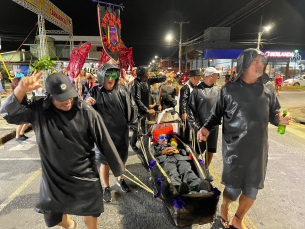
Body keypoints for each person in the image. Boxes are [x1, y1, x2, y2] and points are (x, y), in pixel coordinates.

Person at [0, 71, 124, 229]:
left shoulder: (86, 111)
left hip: (84, 175)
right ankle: (72, 226)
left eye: (69, 95)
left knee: (91, 214)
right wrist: (20, 90)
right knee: (53, 218)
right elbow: (8, 114)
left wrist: (117, 168)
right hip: (54, 178)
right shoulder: (40, 110)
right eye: (61, 97)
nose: (67, 101)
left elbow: (104, 140)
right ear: (50, 96)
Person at [197, 49, 291, 229]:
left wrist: (280, 118)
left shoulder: (268, 87)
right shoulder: (228, 89)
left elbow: (274, 113)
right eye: (255, 61)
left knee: (252, 190)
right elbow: (216, 115)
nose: (260, 65)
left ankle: (238, 218)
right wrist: (206, 128)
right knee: (232, 189)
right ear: (244, 65)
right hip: (234, 149)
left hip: (258, 149)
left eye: (262, 61)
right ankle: (224, 207)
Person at [86, 63, 138, 202]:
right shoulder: (94, 91)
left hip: (121, 132)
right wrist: (87, 103)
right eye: (108, 76)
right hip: (102, 134)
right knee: (104, 162)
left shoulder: (123, 89)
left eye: (113, 76)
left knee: (122, 158)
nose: (111, 79)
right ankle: (106, 187)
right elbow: (84, 109)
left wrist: (134, 123)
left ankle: (120, 180)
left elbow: (132, 106)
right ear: (102, 77)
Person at [187, 67, 221, 181]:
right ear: (210, 75)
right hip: (200, 125)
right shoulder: (197, 90)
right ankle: (194, 169)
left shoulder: (218, 90)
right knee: (198, 150)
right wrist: (192, 123)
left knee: (211, 148)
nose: (218, 77)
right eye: (216, 75)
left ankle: (205, 169)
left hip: (214, 125)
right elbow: (190, 108)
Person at [130, 66, 173, 152]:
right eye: (148, 72)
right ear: (144, 74)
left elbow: (157, 78)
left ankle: (145, 143)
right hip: (137, 110)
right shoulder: (136, 83)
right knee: (137, 129)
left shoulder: (147, 80)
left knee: (146, 127)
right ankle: (133, 144)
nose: (150, 73)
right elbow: (137, 99)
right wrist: (146, 109)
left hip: (146, 108)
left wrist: (167, 76)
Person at [179, 70, 202, 144]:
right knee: (185, 131)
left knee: (193, 131)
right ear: (194, 77)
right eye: (198, 78)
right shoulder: (186, 87)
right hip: (187, 114)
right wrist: (184, 112)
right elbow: (183, 101)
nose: (199, 80)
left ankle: (192, 145)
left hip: (193, 113)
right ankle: (185, 146)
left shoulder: (196, 86)